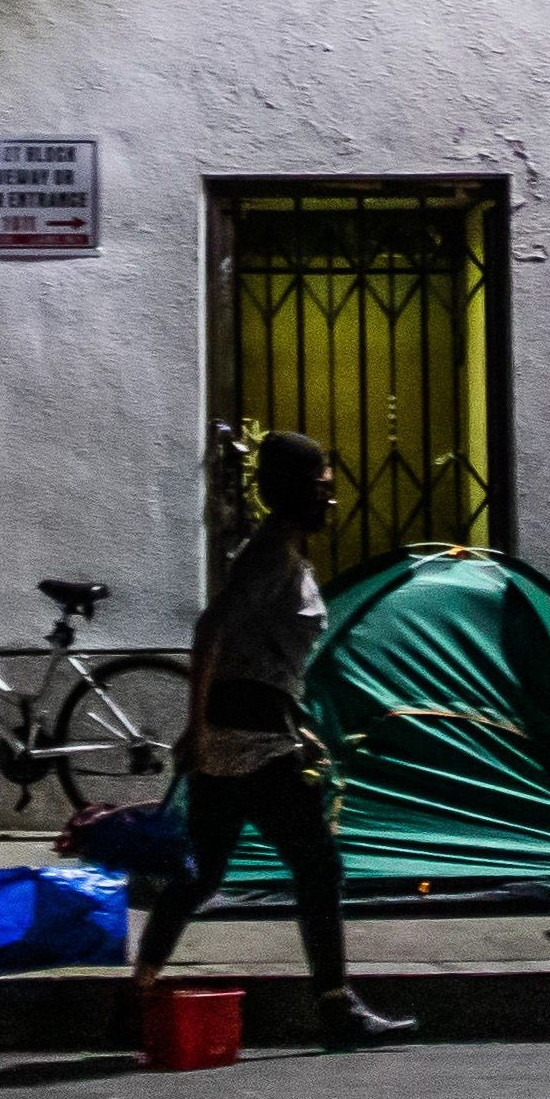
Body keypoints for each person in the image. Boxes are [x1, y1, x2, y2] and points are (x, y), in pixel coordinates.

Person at [132, 429, 414, 1047]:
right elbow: (211, 629)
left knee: (204, 872)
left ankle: (139, 991)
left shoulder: (281, 554)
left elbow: (257, 655)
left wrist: (297, 723)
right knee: (317, 865)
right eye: (321, 488)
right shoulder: (270, 557)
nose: (330, 500)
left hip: (251, 726)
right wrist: (195, 726)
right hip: (249, 737)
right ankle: (336, 1009)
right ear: (293, 491)